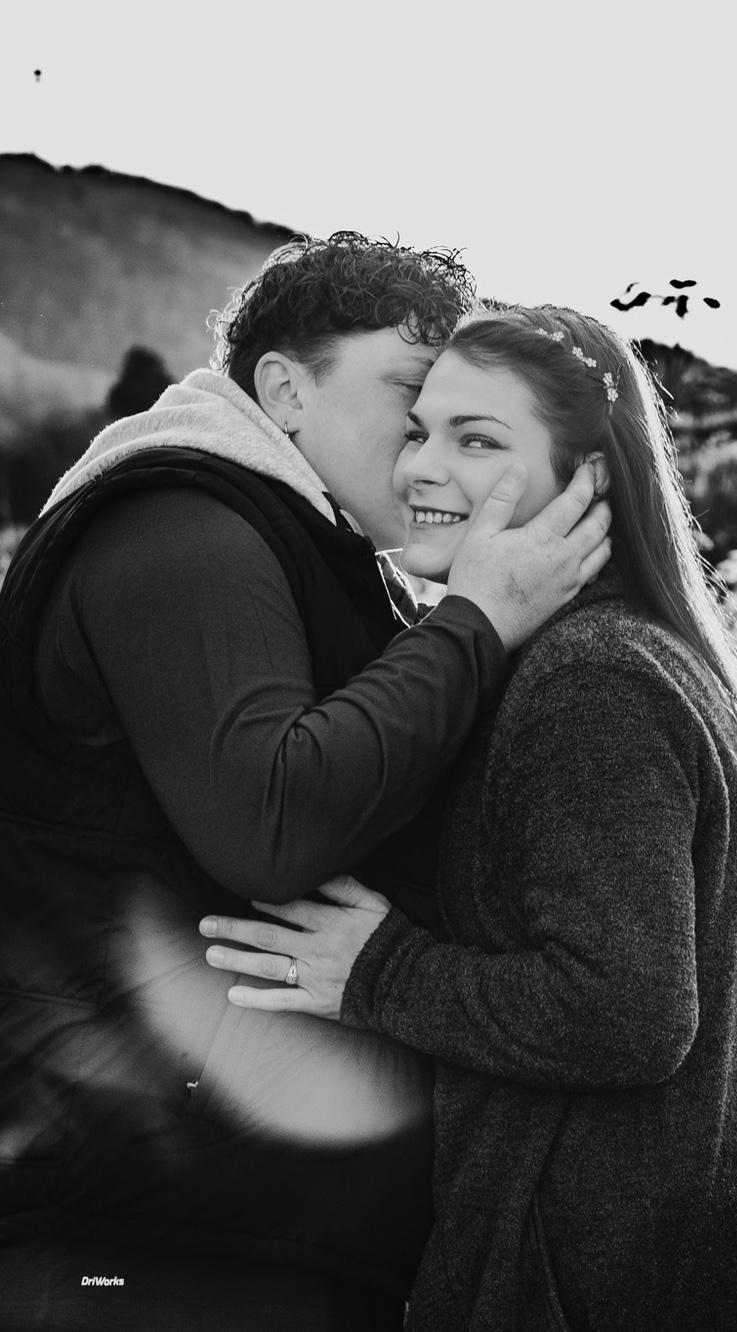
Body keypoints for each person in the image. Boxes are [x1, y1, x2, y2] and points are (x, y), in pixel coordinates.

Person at [0, 240, 611, 1330]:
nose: (425, 451)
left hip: (244, 1212)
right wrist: (478, 623)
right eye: (410, 401)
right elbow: (270, 825)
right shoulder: (181, 525)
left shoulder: (309, 550)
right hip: (153, 1229)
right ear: (284, 391)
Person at [201, 304, 737, 1330]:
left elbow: (628, 1013)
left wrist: (381, 974)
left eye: (478, 440)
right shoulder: (616, 650)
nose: (421, 469)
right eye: (420, 431)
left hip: (591, 1279)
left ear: (588, 479)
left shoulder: (592, 682)